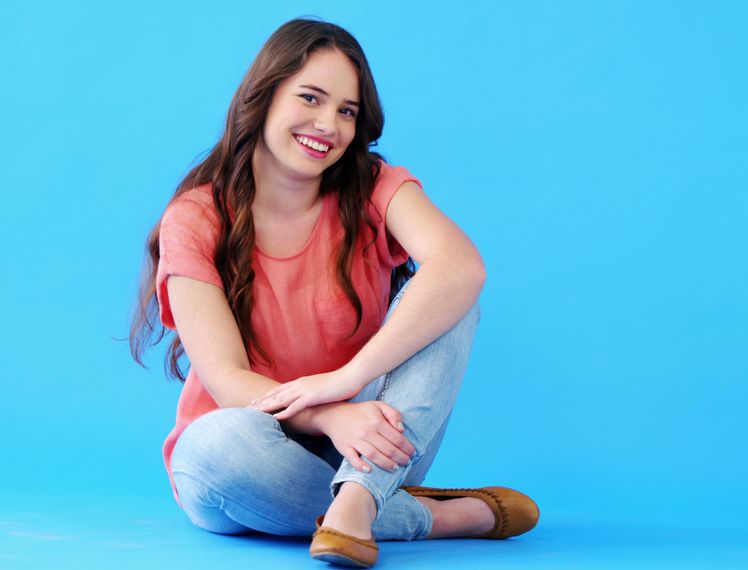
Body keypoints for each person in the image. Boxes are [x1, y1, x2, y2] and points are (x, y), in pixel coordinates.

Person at [128, 18, 538, 568]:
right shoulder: (197, 218)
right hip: (251, 452)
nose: (328, 124)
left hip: (375, 444)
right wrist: (327, 413)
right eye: (311, 98)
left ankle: (362, 497)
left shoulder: (373, 186)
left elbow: (461, 266)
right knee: (209, 448)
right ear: (263, 96)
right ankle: (427, 518)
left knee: (453, 301)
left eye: (346, 111)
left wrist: (346, 385)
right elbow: (227, 382)